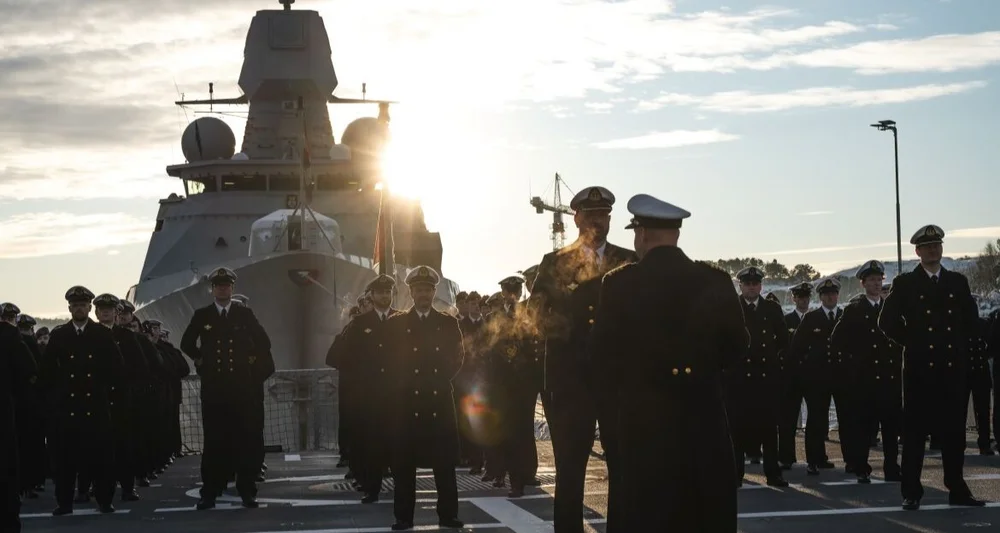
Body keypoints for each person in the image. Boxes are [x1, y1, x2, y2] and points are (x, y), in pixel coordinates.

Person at [588, 193, 746, 532]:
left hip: (644, 427)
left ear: (642, 233)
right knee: (704, 516)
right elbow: (736, 347)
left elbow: (602, 355)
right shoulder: (715, 280)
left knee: (647, 515)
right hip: (704, 422)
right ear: (677, 234)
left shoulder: (619, 284)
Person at [529, 185, 637, 533]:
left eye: (603, 215)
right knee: (570, 469)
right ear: (576, 218)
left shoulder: (628, 261)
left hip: (617, 380)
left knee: (623, 466)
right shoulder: (555, 263)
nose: (597, 221)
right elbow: (535, 314)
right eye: (591, 215)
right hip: (571, 381)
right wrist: (563, 327)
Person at [878, 224, 985, 510]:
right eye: (927, 247)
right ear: (917, 252)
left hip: (952, 370)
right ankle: (911, 492)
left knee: (954, 435)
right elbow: (886, 322)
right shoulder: (906, 284)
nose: (932, 250)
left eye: (936, 245)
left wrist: (961, 346)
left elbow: (971, 321)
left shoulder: (957, 282)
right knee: (914, 436)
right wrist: (912, 342)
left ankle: (957, 490)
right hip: (919, 371)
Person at [180, 267, 274, 510]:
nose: (222, 289)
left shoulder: (244, 314)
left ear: (232, 288)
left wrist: (250, 362)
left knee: (245, 440)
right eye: (218, 286)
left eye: (226, 285)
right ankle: (210, 492)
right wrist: (201, 359)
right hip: (215, 389)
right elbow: (186, 343)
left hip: (241, 389)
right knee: (214, 442)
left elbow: (264, 342)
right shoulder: (203, 315)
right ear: (213, 289)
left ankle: (247, 491)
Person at [385, 266, 465, 531]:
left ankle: (448, 515)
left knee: (444, 465)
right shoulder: (396, 324)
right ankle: (404, 517)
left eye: (428, 290)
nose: (423, 294)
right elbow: (389, 360)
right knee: (404, 466)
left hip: (438, 400)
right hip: (407, 403)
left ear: (433, 292)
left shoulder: (448, 323)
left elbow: (458, 356)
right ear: (411, 292)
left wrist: (439, 379)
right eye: (419, 290)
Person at [830, 260, 901, 483]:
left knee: (890, 428)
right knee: (862, 428)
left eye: (879, 280)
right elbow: (837, 341)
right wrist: (851, 367)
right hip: (864, 380)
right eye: (872, 280)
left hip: (888, 379)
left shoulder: (889, 308)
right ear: (863, 283)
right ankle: (861, 467)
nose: (877, 284)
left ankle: (892, 468)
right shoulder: (854, 310)